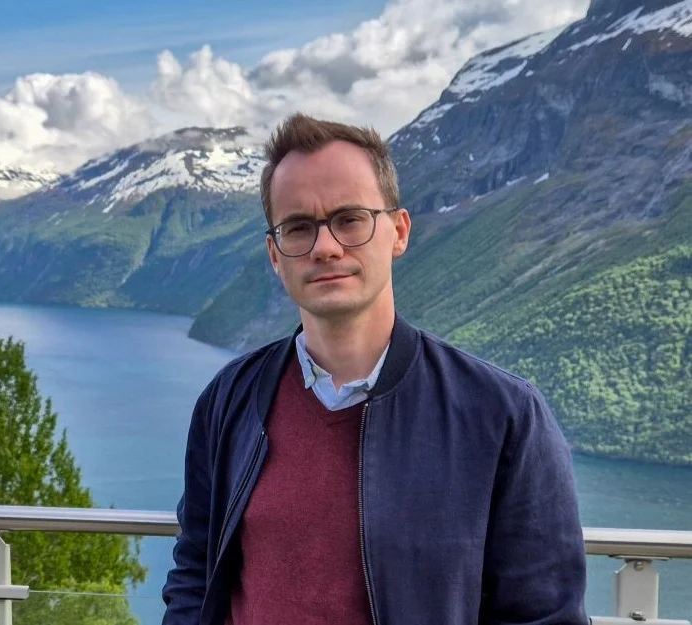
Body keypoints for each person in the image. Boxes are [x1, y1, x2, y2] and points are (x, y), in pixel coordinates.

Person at [160, 113, 588, 625]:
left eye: (350, 219)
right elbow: (195, 570)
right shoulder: (229, 400)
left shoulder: (502, 416)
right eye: (298, 227)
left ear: (399, 232)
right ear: (275, 254)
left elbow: (544, 615)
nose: (325, 247)